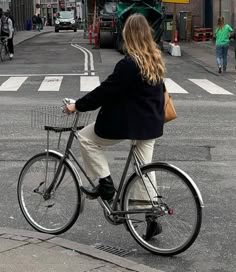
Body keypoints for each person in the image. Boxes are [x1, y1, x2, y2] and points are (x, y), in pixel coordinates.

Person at [66, 14, 165, 240]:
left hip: (130, 124)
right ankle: (152, 219)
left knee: (86, 138)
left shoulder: (130, 63)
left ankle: (106, 185)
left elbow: (106, 91)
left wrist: (77, 106)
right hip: (151, 125)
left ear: (128, 35)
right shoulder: (155, 60)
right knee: (143, 169)